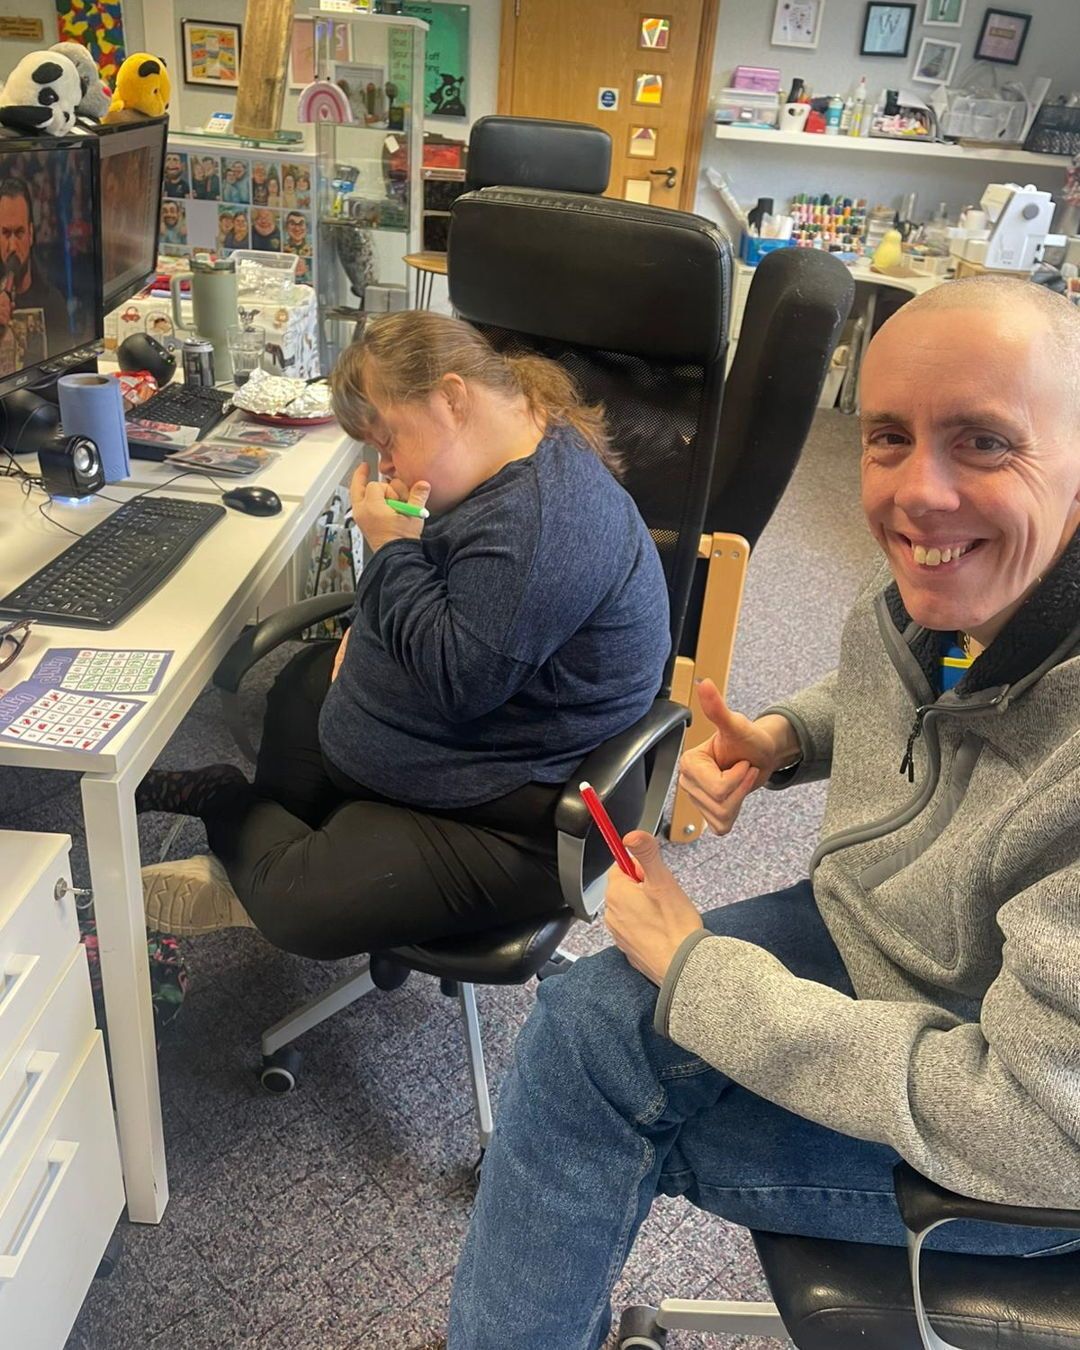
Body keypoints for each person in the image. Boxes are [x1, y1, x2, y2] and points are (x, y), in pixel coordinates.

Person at [445, 276, 1080, 1350]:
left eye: (983, 442)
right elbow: (947, 685)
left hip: (1013, 1143)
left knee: (580, 1095)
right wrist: (792, 736)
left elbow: (1030, 1130)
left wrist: (702, 972)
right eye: (887, 436)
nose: (917, 492)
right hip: (890, 934)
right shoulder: (979, 583)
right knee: (581, 1025)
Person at [135, 311, 670, 963]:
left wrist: (389, 547)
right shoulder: (502, 448)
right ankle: (272, 858)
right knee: (300, 687)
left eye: (387, 440)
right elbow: (445, 586)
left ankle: (226, 811)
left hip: (522, 808)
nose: (383, 464)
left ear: (451, 397)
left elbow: (458, 681)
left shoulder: (544, 524)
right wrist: (368, 628)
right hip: (456, 745)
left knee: (302, 908)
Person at [0, 176, 69, 345]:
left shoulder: (54, 304)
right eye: (6, 233)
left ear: (31, 234)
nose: (13, 246)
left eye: (19, 232)